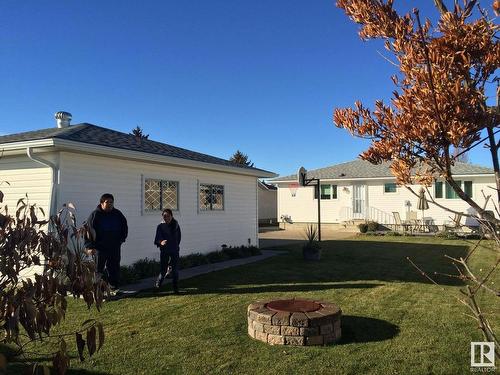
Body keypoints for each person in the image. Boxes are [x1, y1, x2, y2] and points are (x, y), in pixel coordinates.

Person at [85, 193, 128, 293]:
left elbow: (124, 227)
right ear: (101, 203)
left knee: (114, 267)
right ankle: (97, 289)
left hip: (114, 247)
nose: (109, 204)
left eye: (111, 202)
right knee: (98, 268)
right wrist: (89, 246)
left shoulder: (118, 214)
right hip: (100, 248)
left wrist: (121, 239)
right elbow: (88, 232)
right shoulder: (95, 215)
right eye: (107, 202)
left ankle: (114, 287)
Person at [154, 208, 181, 293]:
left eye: (168, 216)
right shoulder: (160, 226)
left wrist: (175, 246)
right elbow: (157, 239)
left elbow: (179, 238)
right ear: (162, 217)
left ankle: (175, 288)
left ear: (171, 216)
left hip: (174, 250)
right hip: (164, 251)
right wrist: (161, 242)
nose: (166, 218)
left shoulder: (176, 225)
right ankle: (158, 284)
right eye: (164, 216)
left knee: (175, 270)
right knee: (163, 270)